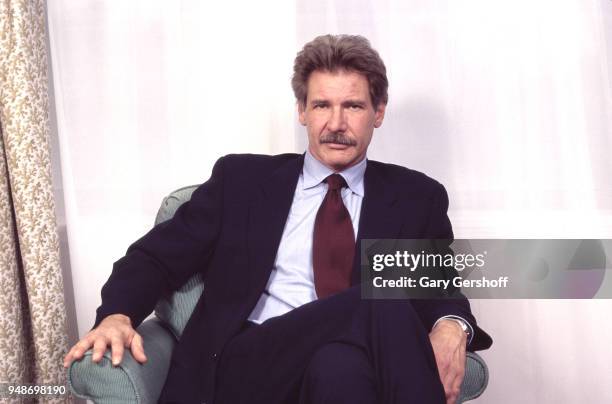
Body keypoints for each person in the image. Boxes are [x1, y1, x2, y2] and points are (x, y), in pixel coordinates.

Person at [64, 34, 492, 404]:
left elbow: (438, 285)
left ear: (378, 112)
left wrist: (452, 325)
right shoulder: (242, 182)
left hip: (345, 360)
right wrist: (117, 314)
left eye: (354, 106)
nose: (336, 124)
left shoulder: (415, 197)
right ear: (302, 111)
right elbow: (155, 258)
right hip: (247, 362)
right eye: (322, 105)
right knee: (380, 299)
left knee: (341, 369)